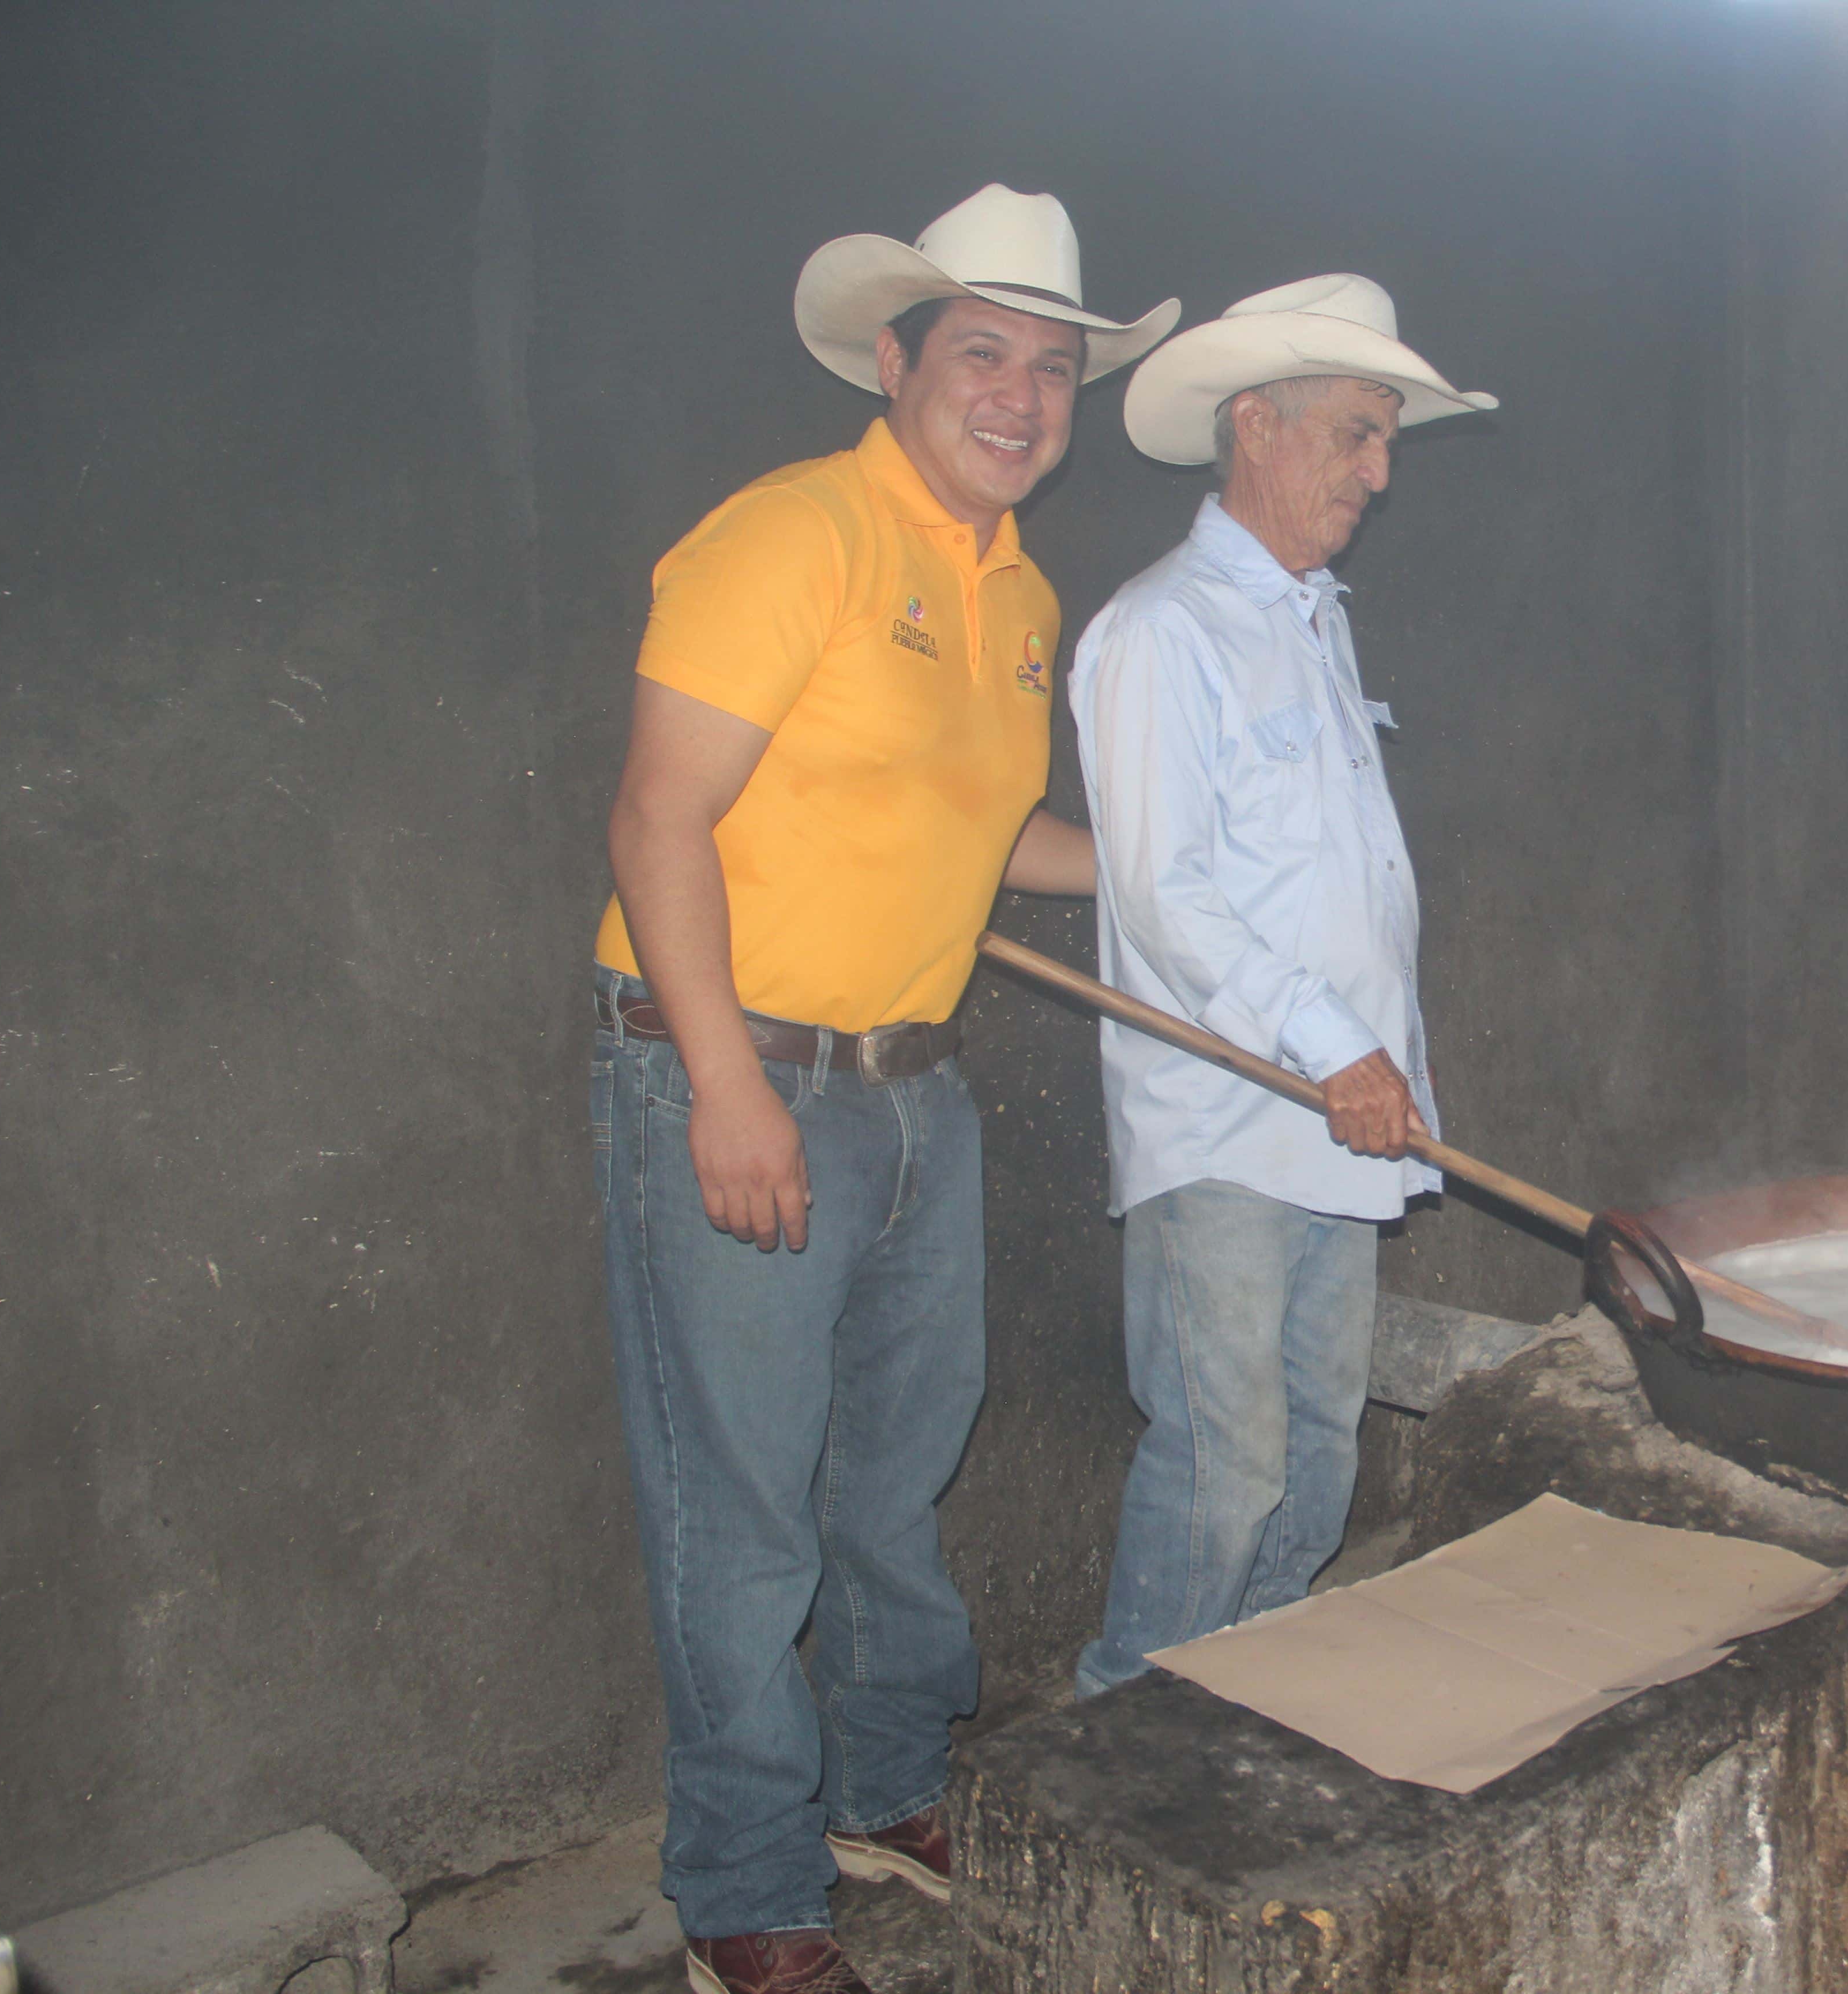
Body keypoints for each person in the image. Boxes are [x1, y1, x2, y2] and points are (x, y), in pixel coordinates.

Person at [591, 184, 1172, 1994]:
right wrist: (720, 1087)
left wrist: (1181, 866)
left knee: (897, 1483)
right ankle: (749, 1888)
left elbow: (999, 842)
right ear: (897, 359)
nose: (1020, 395)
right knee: (743, 1510)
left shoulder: (1019, 593)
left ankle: (888, 1784)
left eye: (1053, 370)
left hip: (918, 1096)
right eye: (982, 354)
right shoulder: (796, 536)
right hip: (742, 1075)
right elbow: (655, 817)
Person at [1066, 275, 1496, 1698]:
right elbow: (1165, 897)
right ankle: (1123, 1745)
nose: (1380, 473)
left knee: (1316, 1451)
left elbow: (1343, 885)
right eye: (1359, 436)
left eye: (1385, 443)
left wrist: (1385, 1066)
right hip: (1231, 1125)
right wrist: (1336, 1047)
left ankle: (1241, 1713)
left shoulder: (1311, 619)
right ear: (1258, 426)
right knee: (1225, 1463)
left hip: (1338, 1115)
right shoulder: (1158, 630)